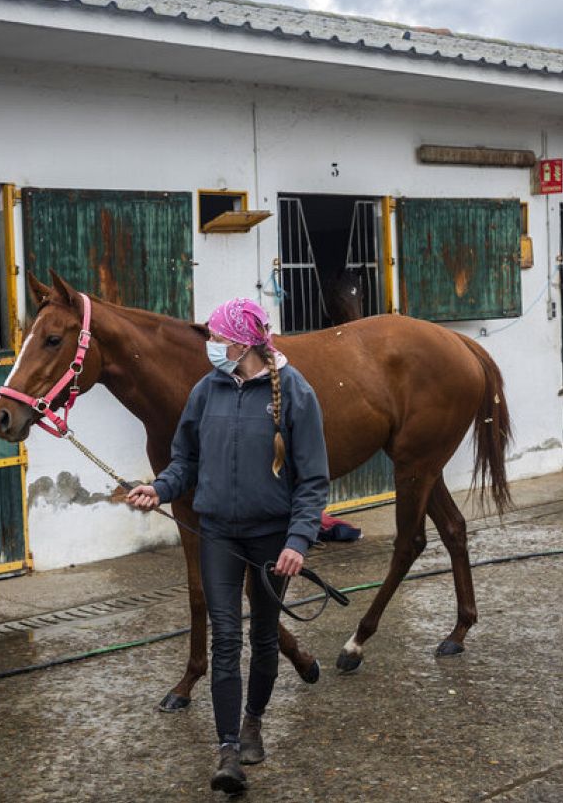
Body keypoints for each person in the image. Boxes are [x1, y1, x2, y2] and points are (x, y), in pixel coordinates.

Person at [126, 297, 330, 794]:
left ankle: (254, 721)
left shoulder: (295, 393)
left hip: (271, 537)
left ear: (242, 342)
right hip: (217, 531)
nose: (211, 347)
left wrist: (299, 540)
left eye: (217, 338)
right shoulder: (206, 390)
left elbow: (313, 480)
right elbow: (185, 461)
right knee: (225, 638)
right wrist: (161, 487)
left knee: (263, 637)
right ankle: (227, 750)